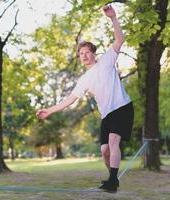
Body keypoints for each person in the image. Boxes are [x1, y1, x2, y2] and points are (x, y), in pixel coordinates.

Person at [36, 4, 134, 193]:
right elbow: (69, 101)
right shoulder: (84, 80)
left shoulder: (106, 60)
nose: (84, 56)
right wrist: (49, 110)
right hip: (106, 115)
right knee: (104, 150)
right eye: (81, 54)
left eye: (87, 52)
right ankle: (112, 177)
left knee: (114, 141)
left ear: (93, 53)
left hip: (122, 107)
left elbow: (120, 40)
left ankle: (113, 181)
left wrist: (113, 18)